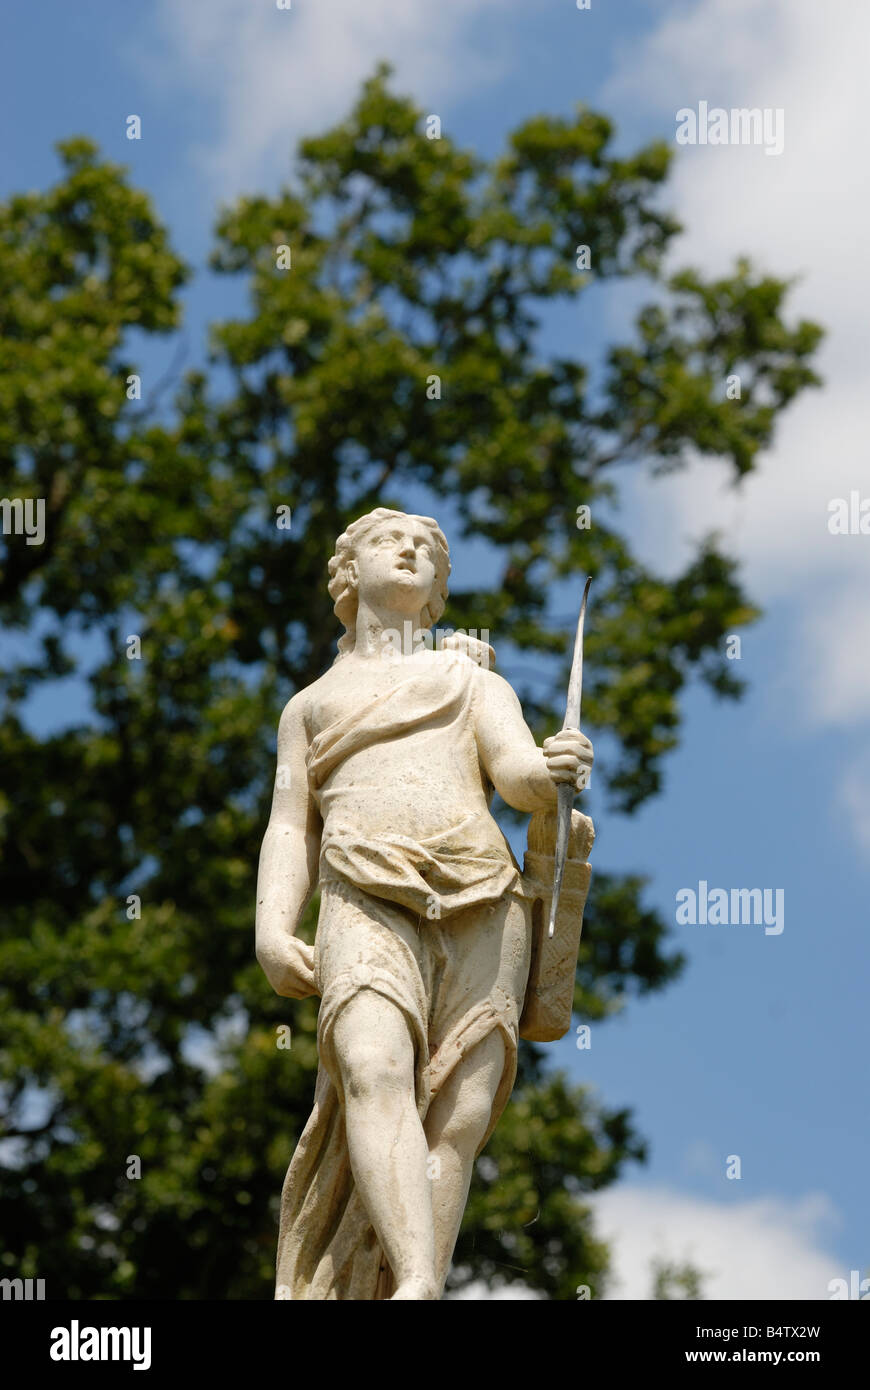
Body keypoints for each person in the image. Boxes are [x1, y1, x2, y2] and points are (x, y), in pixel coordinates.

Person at [255, 507, 593, 1299]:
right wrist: (273, 926)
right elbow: (287, 824)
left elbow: (515, 776)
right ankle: (413, 1281)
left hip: (483, 896)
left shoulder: (473, 679)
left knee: (460, 1116)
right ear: (348, 574)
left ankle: (417, 1283)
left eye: (426, 550)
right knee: (371, 1065)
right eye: (387, 540)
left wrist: (552, 771)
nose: (408, 550)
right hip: (362, 892)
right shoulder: (308, 707)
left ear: (440, 589)